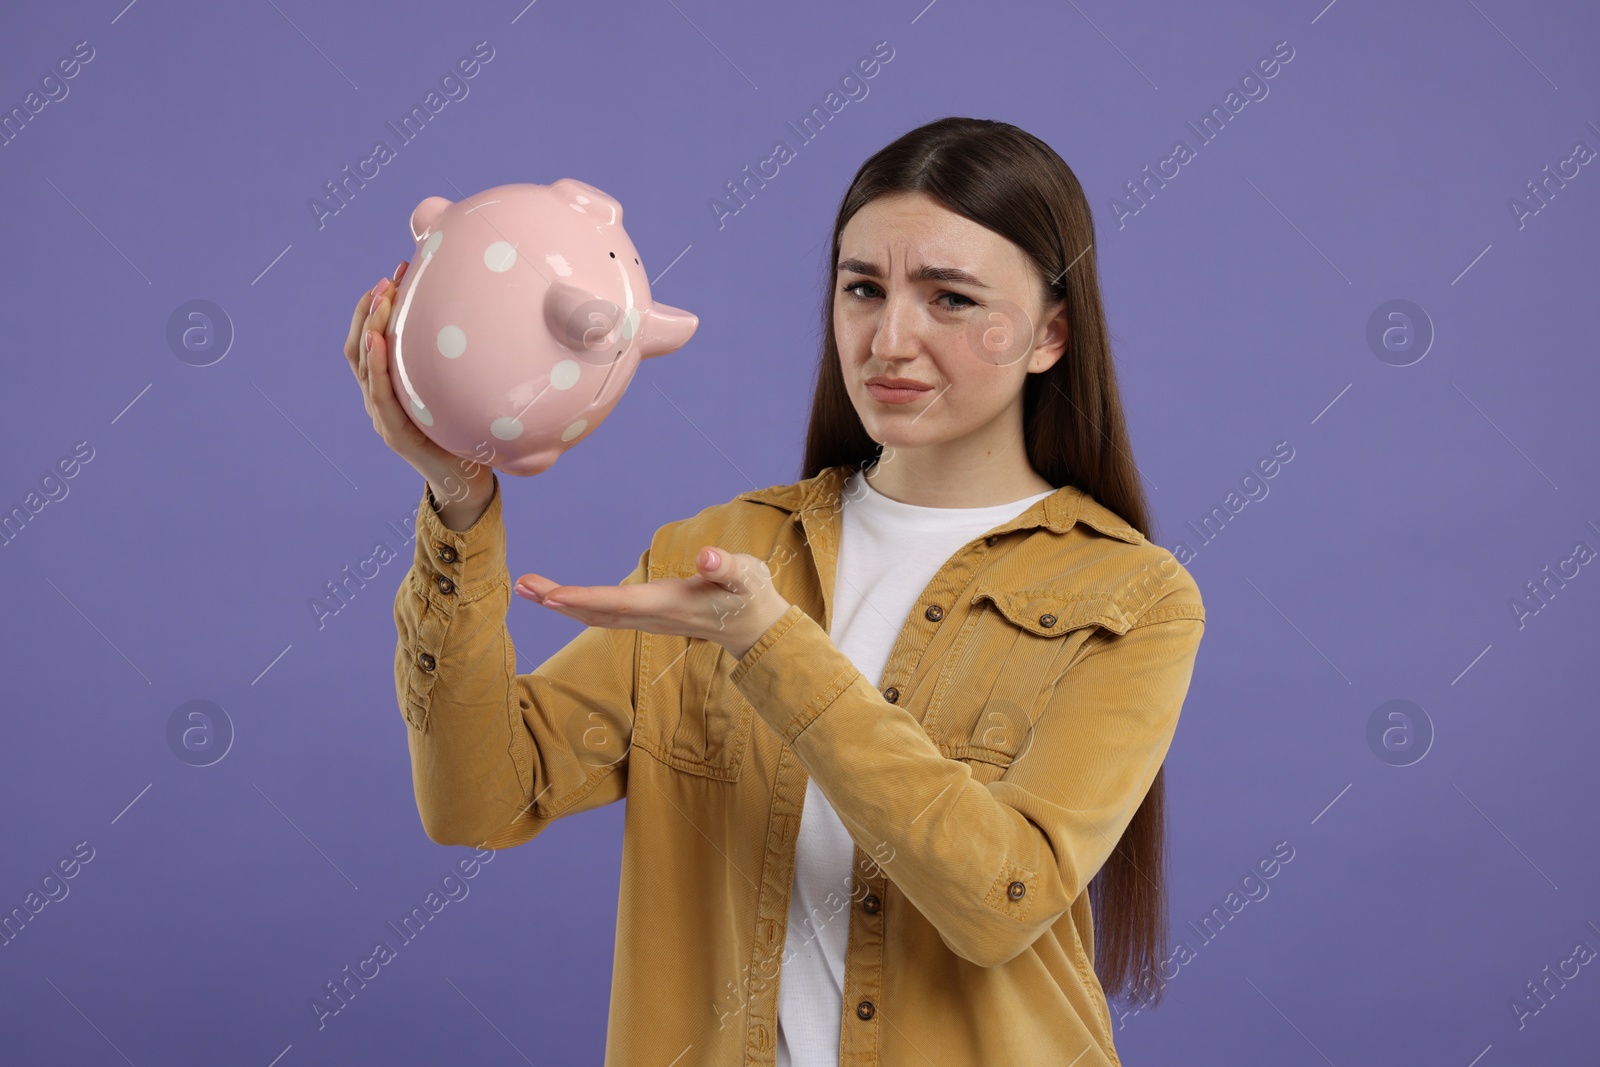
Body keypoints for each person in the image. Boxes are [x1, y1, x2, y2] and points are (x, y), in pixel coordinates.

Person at [344, 116, 1205, 1066]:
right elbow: (479, 798)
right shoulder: (721, 550)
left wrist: (768, 646)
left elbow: (1000, 900)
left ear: (1049, 334)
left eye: (951, 299)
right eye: (863, 289)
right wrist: (458, 500)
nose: (890, 338)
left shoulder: (1131, 595)